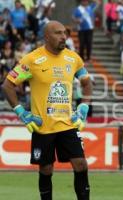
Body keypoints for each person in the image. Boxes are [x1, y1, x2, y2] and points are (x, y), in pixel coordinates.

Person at [1, 21, 93, 200]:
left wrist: (83, 106)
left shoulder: (73, 58)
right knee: (46, 169)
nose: (64, 37)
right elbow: (8, 85)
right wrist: (22, 112)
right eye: (58, 33)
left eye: (65, 33)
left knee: (81, 164)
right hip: (43, 126)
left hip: (67, 124)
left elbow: (87, 83)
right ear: (47, 37)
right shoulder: (32, 60)